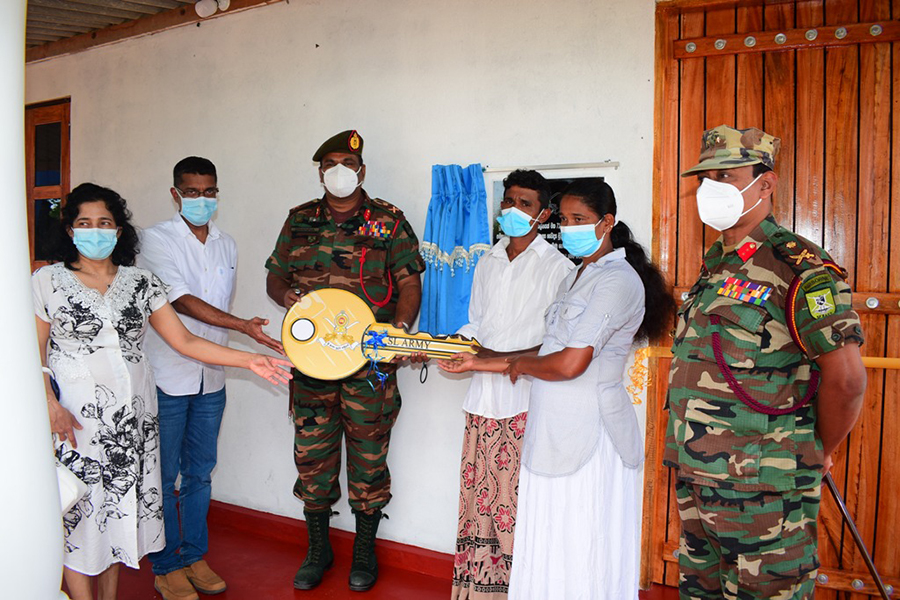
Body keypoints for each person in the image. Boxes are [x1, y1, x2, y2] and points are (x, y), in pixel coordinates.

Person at [34, 183, 292, 600]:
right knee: (82, 518)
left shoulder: (141, 283)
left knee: (120, 516)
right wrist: (48, 403)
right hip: (75, 421)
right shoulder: (47, 281)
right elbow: (35, 353)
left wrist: (249, 360)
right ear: (69, 230)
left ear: (119, 232)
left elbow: (186, 342)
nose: (95, 230)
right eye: (85, 223)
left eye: (105, 223)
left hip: (133, 420)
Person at [440, 178, 674, 599]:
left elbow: (569, 362)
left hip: (590, 433)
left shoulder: (617, 280)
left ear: (607, 223)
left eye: (579, 219)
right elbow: (549, 348)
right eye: (566, 220)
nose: (569, 228)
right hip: (551, 430)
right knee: (547, 541)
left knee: (582, 543)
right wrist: (476, 361)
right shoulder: (578, 277)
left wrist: (518, 364)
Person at [664, 125, 867, 599]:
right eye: (705, 178)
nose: (711, 188)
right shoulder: (716, 265)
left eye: (726, 175)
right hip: (698, 478)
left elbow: (847, 380)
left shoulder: (799, 268)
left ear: (766, 184)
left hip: (764, 489)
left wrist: (818, 450)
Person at [265, 130, 425, 592]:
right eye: (330, 162)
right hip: (313, 366)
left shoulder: (388, 220)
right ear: (320, 171)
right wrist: (287, 296)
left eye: (347, 163)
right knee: (312, 460)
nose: (339, 170)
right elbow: (274, 279)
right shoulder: (299, 220)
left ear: (362, 171)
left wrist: (399, 329)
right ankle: (318, 548)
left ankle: (364, 549)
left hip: (369, 368)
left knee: (369, 460)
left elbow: (409, 282)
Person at [136, 157, 284, 600]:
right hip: (167, 374)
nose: (202, 199)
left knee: (200, 473)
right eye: (192, 191)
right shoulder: (154, 240)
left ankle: (193, 555)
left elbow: (214, 307)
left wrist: (237, 332)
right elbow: (178, 300)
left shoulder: (227, 244)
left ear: (217, 194)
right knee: (163, 476)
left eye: (209, 191)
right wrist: (243, 327)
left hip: (212, 378)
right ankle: (165, 565)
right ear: (175, 194)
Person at [450, 170, 572, 599]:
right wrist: (454, 351)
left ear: (543, 214)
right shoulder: (488, 260)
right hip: (481, 402)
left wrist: (488, 361)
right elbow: (477, 327)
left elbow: (555, 345)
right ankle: (478, 591)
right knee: (477, 504)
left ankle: (523, 590)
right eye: (509, 202)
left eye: (526, 204)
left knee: (517, 509)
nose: (515, 211)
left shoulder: (560, 269)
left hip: (526, 404)